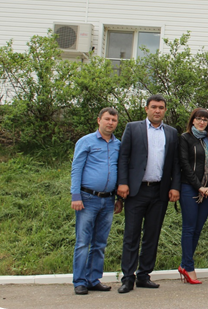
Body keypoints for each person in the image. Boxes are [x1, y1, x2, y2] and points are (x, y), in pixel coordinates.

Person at [117, 95, 181, 294]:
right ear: (146, 109)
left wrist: (175, 186)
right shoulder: (133, 128)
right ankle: (128, 278)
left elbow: (175, 162)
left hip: (159, 191)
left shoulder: (171, 132)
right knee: (131, 235)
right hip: (136, 191)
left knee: (152, 235)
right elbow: (123, 157)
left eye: (161, 107)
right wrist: (122, 182)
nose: (157, 111)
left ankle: (144, 275)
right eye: (154, 107)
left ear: (165, 110)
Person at [70, 107, 121, 295]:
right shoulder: (86, 141)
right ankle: (79, 281)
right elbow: (77, 168)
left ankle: (93, 279)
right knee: (83, 242)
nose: (110, 123)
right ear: (99, 120)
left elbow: (119, 170)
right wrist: (75, 195)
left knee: (100, 243)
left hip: (108, 201)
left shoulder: (118, 144)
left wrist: (119, 198)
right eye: (107, 119)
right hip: (87, 199)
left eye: (114, 120)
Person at [178, 108, 208, 285]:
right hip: (189, 188)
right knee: (189, 228)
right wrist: (198, 186)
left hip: (206, 191)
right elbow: (185, 165)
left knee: (198, 229)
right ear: (192, 120)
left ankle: (184, 265)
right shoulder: (185, 139)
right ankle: (188, 266)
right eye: (199, 119)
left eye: (205, 120)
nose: (202, 122)